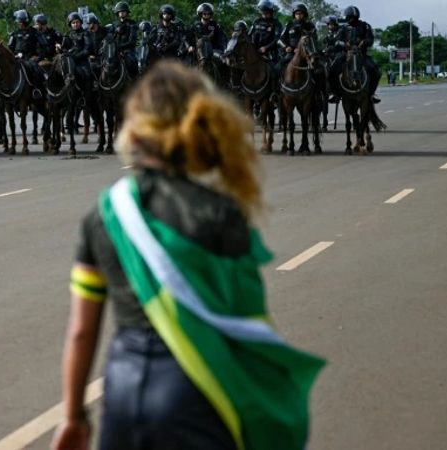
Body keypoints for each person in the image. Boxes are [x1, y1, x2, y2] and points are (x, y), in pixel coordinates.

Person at [51, 60, 325, 450]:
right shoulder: (221, 211)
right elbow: (246, 322)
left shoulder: (106, 212)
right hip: (198, 392)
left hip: (124, 391)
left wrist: (74, 416)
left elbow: (81, 332)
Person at [335, 6, 381, 103]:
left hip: (361, 55)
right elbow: (337, 41)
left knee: (375, 70)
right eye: (349, 17)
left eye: (352, 17)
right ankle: (336, 93)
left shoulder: (365, 26)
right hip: (346, 54)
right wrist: (344, 43)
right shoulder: (343, 27)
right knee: (333, 69)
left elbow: (371, 40)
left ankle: (372, 93)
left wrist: (364, 42)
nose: (350, 19)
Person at [8, 10, 47, 98]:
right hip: (17, 59)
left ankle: (36, 90)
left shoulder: (35, 33)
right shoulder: (14, 34)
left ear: (26, 22)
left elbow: (44, 46)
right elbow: (10, 48)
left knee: (36, 70)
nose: (19, 24)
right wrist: (13, 56)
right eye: (18, 22)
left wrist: (38, 57)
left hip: (30, 59)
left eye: (20, 22)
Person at [59, 12, 94, 89]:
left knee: (87, 74)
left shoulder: (85, 33)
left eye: (77, 22)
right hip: (69, 61)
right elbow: (64, 48)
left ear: (80, 22)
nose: (75, 24)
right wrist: (61, 49)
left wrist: (75, 57)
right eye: (73, 23)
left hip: (83, 61)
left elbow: (87, 49)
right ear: (70, 24)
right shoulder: (67, 35)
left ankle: (88, 93)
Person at [111, 2, 139, 77]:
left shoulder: (132, 24)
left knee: (132, 62)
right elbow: (109, 38)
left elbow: (132, 41)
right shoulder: (114, 24)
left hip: (128, 50)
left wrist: (119, 46)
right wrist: (115, 32)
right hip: (115, 50)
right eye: (120, 11)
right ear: (118, 13)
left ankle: (134, 80)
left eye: (123, 11)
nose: (122, 13)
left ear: (127, 12)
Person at [321, 15, 345, 103]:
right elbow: (327, 44)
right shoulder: (330, 33)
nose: (329, 26)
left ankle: (335, 92)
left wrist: (330, 48)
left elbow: (339, 44)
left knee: (332, 70)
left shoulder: (341, 31)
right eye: (328, 25)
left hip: (341, 53)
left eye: (331, 24)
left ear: (335, 24)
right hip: (331, 55)